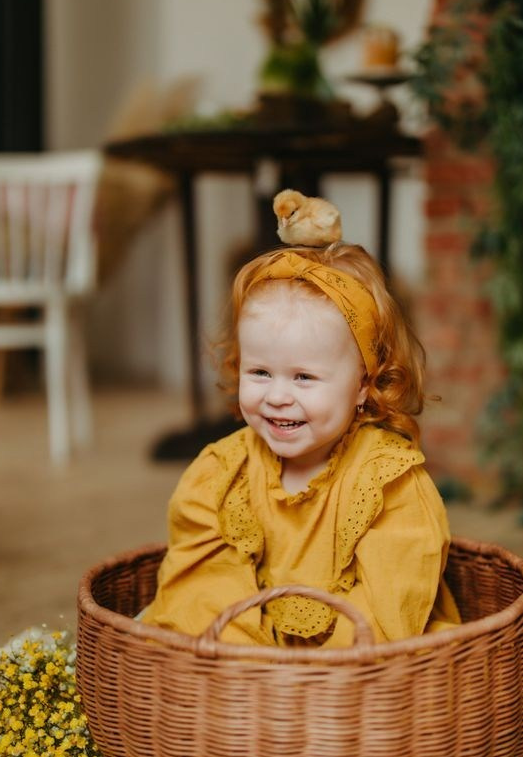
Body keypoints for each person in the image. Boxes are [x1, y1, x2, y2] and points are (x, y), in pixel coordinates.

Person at [142, 194, 461, 648]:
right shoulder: (220, 475)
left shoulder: (388, 484)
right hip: (244, 676)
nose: (276, 397)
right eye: (259, 372)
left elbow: (391, 605)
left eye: (304, 377)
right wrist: (258, 670)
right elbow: (201, 590)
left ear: (363, 385)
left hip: (353, 681)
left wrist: (313, 682)